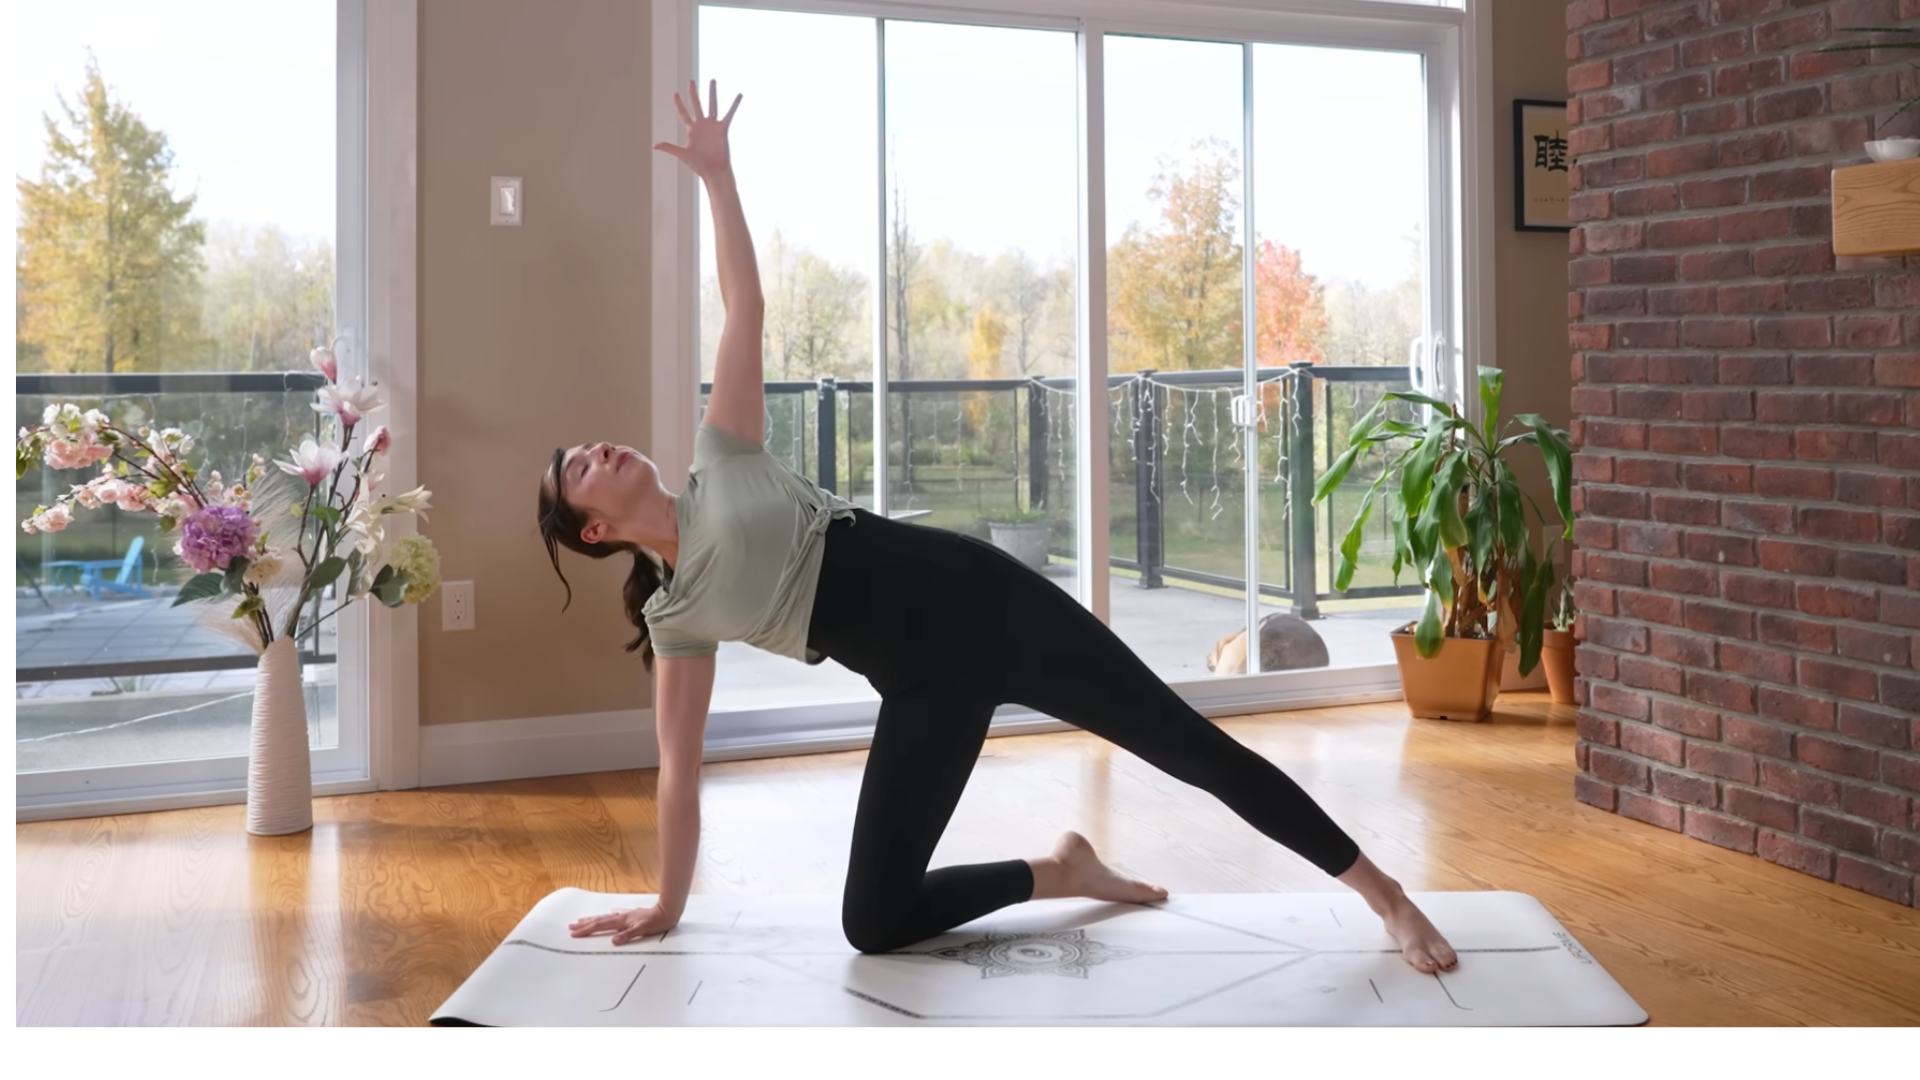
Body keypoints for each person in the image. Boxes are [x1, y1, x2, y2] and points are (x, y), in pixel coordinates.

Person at [536, 80, 1458, 974]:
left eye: (592, 444)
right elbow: (677, 774)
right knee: (873, 921)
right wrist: (668, 902)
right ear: (592, 533)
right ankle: (1060, 871)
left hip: (983, 600)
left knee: (1186, 746)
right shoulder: (677, 618)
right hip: (922, 686)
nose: (600, 449)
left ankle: (1388, 899)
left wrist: (717, 178)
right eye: (579, 466)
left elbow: (746, 308)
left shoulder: (723, 454)